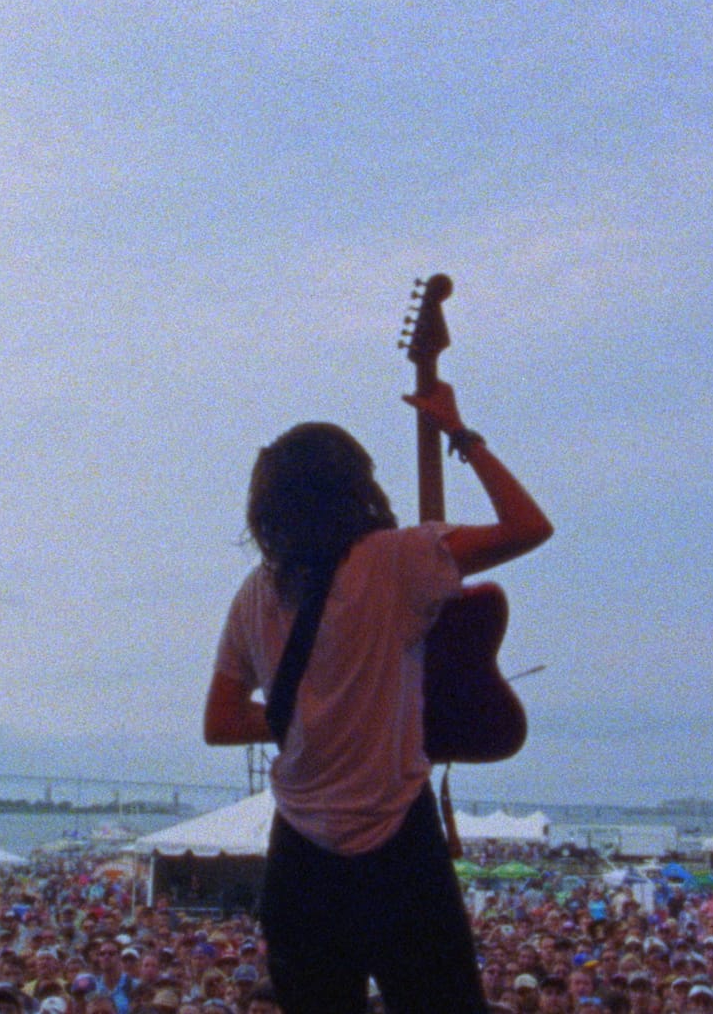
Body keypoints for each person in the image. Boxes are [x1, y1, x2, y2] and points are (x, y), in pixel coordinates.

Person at [203, 380, 552, 1012]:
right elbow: (528, 526)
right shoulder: (397, 559)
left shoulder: (254, 594)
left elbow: (222, 722)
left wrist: (310, 719)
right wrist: (459, 432)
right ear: (355, 486)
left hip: (300, 861)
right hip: (399, 846)